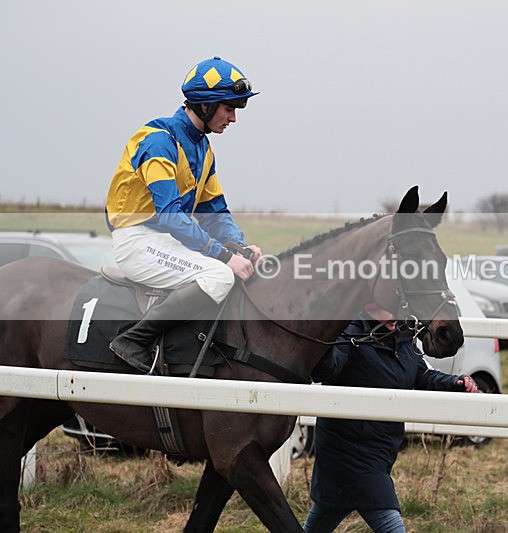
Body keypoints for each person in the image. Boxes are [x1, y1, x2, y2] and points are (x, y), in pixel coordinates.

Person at [104, 56, 262, 373]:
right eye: (229, 108)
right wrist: (222, 256)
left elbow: (214, 210)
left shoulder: (203, 149)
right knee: (219, 274)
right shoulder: (159, 140)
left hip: (167, 242)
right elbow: (170, 217)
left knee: (237, 268)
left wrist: (238, 244)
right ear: (205, 105)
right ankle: (133, 340)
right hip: (137, 242)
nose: (233, 118)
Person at [303, 303, 479, 533]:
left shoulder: (402, 335)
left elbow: (420, 375)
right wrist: (322, 343)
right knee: (390, 523)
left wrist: (454, 383)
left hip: (380, 450)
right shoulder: (350, 331)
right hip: (347, 450)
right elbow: (327, 367)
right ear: (368, 306)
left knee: (322, 519)